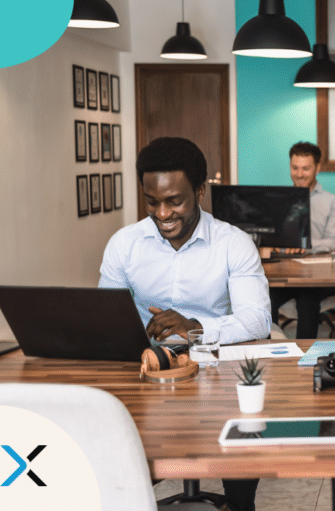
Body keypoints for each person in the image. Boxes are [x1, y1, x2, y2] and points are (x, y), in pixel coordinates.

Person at [98, 137, 270, 511]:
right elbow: (105, 315)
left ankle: (240, 506)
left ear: (200, 191)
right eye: (152, 201)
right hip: (146, 374)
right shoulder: (123, 245)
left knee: (244, 433)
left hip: (216, 373)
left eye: (174, 200)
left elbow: (257, 319)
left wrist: (194, 326)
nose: (162, 213)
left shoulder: (233, 244)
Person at [268, 141, 335, 339]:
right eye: (295, 168)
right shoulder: (277, 200)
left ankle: (304, 358)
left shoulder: (333, 202)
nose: (299, 174)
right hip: (286, 271)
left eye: (305, 168)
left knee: (307, 299)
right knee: (264, 296)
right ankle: (268, 353)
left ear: (317, 168)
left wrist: (305, 246)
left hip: (319, 275)